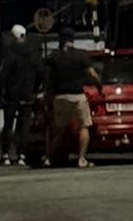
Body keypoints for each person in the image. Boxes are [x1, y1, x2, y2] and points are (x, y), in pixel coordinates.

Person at [43, 28, 104, 169]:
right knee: (84, 126)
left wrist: (47, 97)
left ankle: (49, 158)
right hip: (78, 96)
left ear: (60, 40)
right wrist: (99, 87)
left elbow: (48, 80)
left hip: (60, 97)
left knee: (58, 129)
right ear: (72, 39)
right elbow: (92, 74)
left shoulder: (53, 57)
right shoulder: (81, 56)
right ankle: (81, 159)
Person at [0, 29, 42, 167]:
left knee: (8, 125)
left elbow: (2, 76)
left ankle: (6, 155)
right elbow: (40, 73)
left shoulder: (9, 54)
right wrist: (35, 90)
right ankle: (21, 155)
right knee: (24, 126)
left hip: (11, 95)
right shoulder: (34, 54)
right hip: (27, 94)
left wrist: (0, 94)